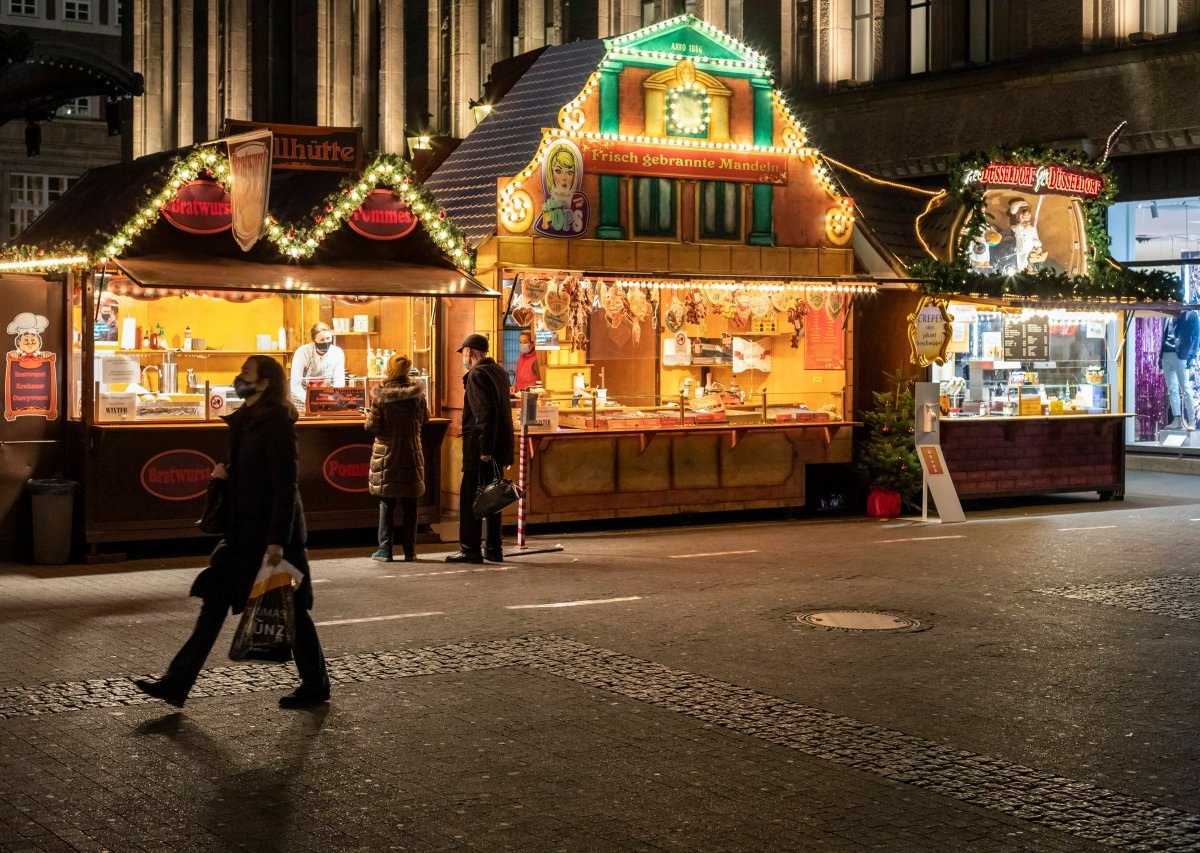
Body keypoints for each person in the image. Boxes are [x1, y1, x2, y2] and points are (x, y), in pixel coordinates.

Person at [135, 355, 330, 709]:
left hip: (271, 537)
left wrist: (276, 541)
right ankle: (176, 683)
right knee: (213, 605)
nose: (239, 378)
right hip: (241, 534)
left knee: (292, 611)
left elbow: (285, 486)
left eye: (246, 373)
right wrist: (224, 474)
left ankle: (316, 684)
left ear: (265, 382)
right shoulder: (245, 421)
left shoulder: (276, 424)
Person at [447, 333, 514, 564]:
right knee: (494, 497)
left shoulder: (477, 375)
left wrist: (484, 449)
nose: (463, 358)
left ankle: (470, 549)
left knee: (471, 500)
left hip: (480, 450)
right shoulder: (499, 373)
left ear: (469, 353)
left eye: (463, 353)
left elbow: (484, 415)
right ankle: (494, 549)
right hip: (498, 447)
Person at [365, 353, 428, 562]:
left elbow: (373, 427)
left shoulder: (381, 396)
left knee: (387, 503)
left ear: (390, 371)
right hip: (411, 451)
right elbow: (424, 419)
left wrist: (366, 417)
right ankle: (410, 550)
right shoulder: (417, 395)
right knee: (411, 503)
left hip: (387, 453)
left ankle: (385, 549)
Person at [289, 321, 346, 412]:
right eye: (322, 340)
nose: (326, 342)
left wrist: (332, 399)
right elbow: (295, 384)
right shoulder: (302, 352)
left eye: (328, 338)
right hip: (302, 399)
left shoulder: (337, 352)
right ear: (313, 340)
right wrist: (309, 401)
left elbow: (339, 380)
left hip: (328, 399)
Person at [1160, 309, 1200, 430]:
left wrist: (1191, 356)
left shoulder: (1191, 314)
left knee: (1185, 388)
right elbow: (1164, 335)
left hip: (1181, 355)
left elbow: (1196, 336)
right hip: (1166, 354)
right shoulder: (1168, 314)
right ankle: (1177, 419)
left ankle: (1191, 420)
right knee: (1172, 389)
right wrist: (1159, 358)